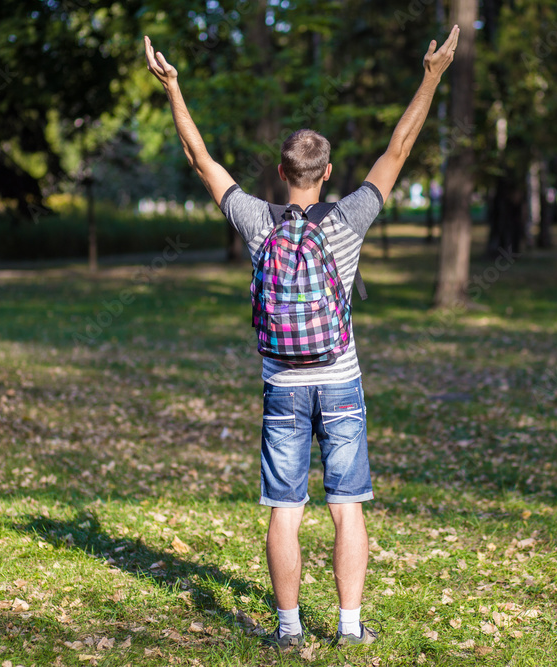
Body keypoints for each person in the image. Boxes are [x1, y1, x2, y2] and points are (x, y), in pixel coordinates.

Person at [144, 25, 460, 648]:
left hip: (282, 385)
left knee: (284, 512)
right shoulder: (347, 221)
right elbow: (399, 150)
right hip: (340, 378)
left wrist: (173, 87)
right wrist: (432, 75)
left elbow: (200, 158)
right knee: (348, 508)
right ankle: (347, 627)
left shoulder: (258, 222)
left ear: (282, 171)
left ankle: (287, 630)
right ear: (327, 172)